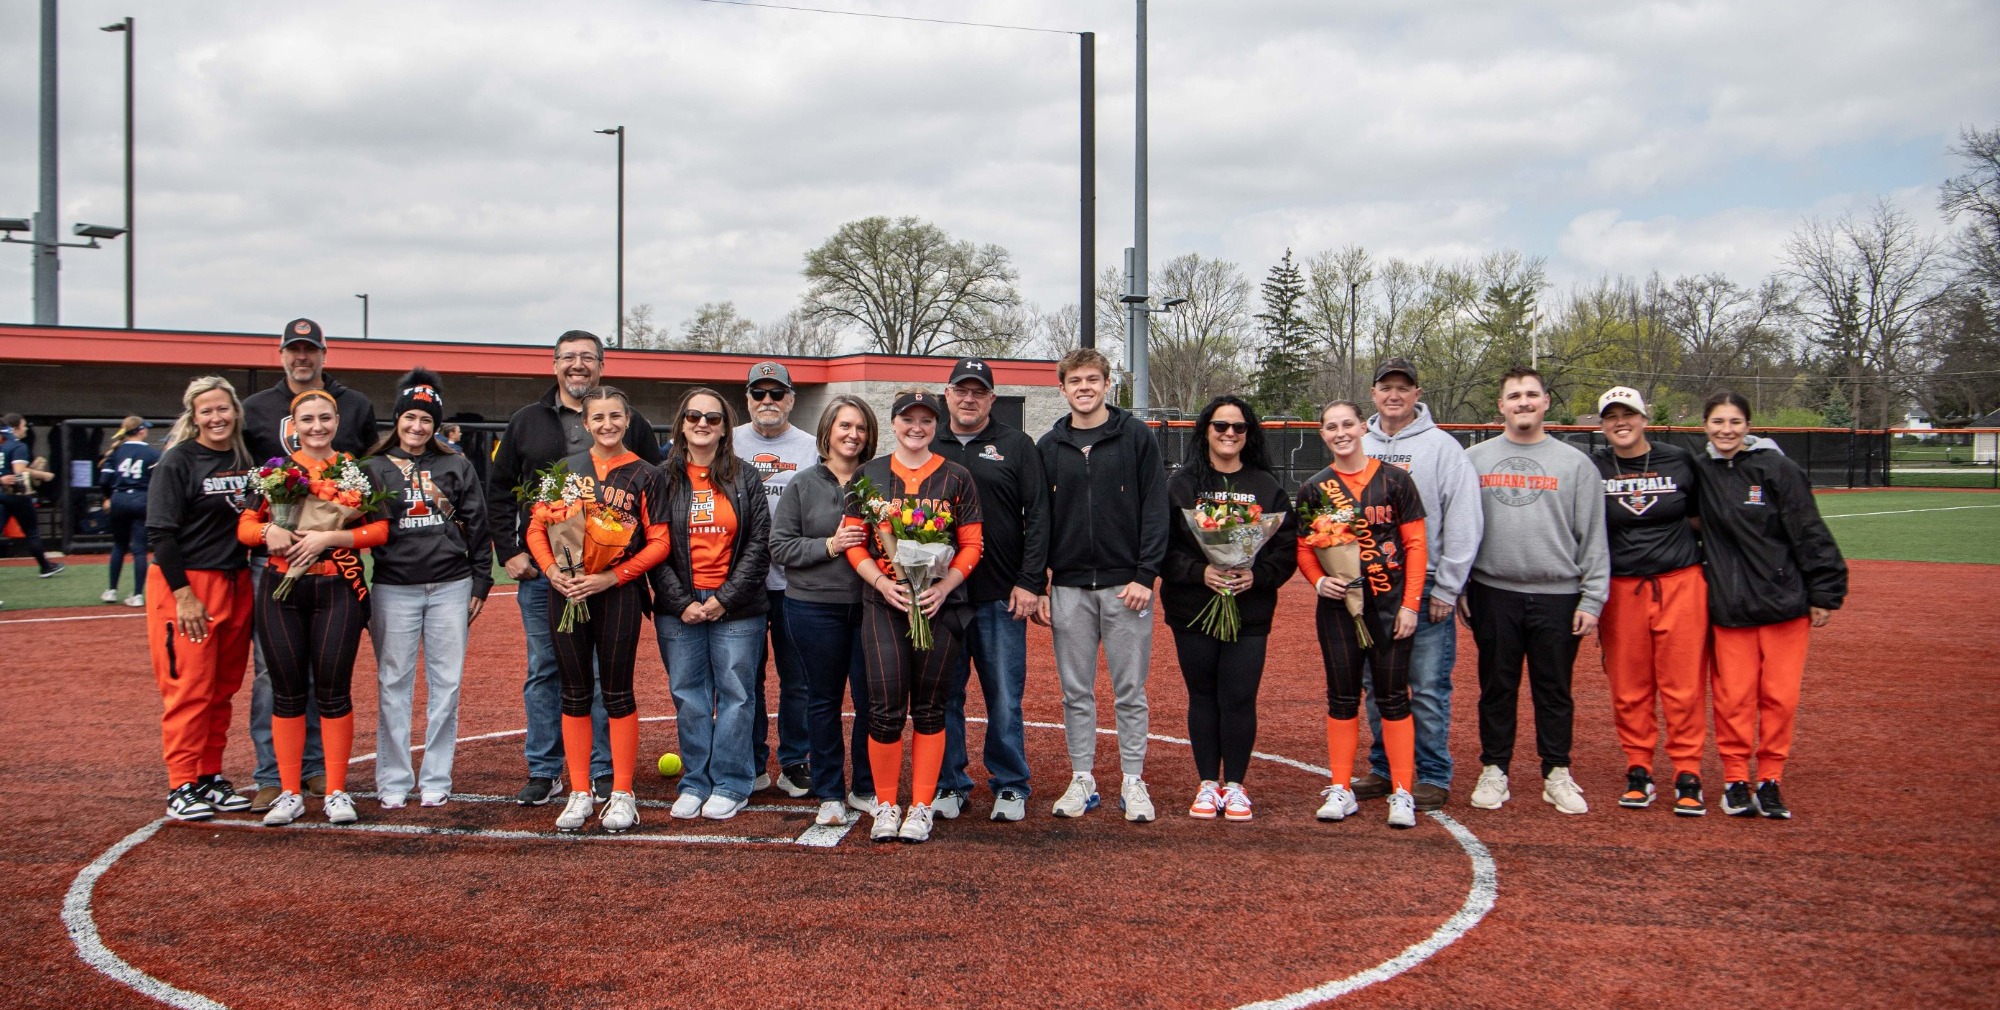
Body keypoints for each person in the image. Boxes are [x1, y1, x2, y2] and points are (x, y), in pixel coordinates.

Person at [488, 330, 664, 807]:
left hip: (614, 581)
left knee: (610, 678)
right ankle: (548, 772)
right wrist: (525, 558)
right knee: (549, 671)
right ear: (555, 365)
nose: (577, 364)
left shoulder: (638, 435)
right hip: (555, 580)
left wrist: (615, 570)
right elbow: (504, 493)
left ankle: (606, 773)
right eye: (569, 357)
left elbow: (652, 497)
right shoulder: (529, 422)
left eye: (587, 357)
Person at [239, 319, 378, 812]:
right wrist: (268, 532)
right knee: (278, 680)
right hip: (277, 575)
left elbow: (377, 523)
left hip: (336, 575)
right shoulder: (257, 414)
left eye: (310, 350)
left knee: (331, 680)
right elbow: (247, 521)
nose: (302, 357)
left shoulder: (355, 420)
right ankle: (278, 780)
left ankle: (327, 778)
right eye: (293, 350)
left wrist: (331, 536)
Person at [1462, 366, 1609, 816]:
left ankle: (1556, 772)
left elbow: (1594, 536)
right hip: (1494, 590)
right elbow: (1461, 529)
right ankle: (1494, 769)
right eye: (1514, 396)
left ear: (1546, 402)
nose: (1523, 402)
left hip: (1558, 594)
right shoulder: (1475, 460)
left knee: (1554, 689)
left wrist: (1593, 596)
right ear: (1500, 406)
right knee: (1497, 687)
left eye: (1531, 394)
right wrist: (1461, 583)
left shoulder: (1576, 464)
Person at [840, 390, 983, 844]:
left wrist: (943, 587)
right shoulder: (869, 475)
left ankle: (920, 806)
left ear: (936, 424)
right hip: (885, 604)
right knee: (883, 709)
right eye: (908, 418)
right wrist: (881, 583)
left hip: (937, 608)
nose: (916, 426)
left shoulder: (957, 477)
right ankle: (886, 804)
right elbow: (854, 541)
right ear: (895, 422)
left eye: (925, 419)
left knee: (929, 708)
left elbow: (972, 545)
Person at [1696, 391, 1847, 820]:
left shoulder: (1778, 469)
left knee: (1779, 698)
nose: (1726, 430)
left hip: (1784, 605)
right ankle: (1736, 780)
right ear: (1705, 426)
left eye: (1735, 422)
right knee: (1734, 699)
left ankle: (1771, 779)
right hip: (1730, 608)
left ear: (1748, 425)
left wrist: (1824, 591)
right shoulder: (1701, 471)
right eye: (1718, 422)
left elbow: (1809, 530)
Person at [530, 386, 673, 833]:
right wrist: (554, 572)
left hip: (617, 594)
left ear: (627, 421)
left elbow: (660, 542)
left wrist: (613, 576)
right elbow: (538, 528)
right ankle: (578, 791)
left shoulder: (648, 474)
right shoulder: (564, 470)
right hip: (568, 592)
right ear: (584, 423)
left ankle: (623, 793)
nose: (607, 424)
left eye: (615, 416)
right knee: (573, 692)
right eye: (598, 417)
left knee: (617, 692)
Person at [1035, 348, 1169, 822]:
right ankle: (1082, 779)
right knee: (1076, 692)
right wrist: (1040, 583)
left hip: (1125, 586)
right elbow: (1040, 521)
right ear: (1063, 388)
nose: (1085, 387)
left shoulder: (1134, 436)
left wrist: (1145, 575)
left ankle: (1133, 780)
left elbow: (1156, 507)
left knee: (1130, 690)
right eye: (1075, 381)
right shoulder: (1049, 447)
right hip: (1069, 587)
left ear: (1108, 384)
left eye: (1093, 379)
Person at [1354, 358, 1482, 811]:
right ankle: (1386, 765)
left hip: (1423, 585)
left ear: (1416, 393)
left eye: (1402, 388)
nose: (1394, 395)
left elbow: (1464, 519)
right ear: (1373, 393)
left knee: (1426, 684)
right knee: (1377, 682)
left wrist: (1448, 586)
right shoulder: (1358, 441)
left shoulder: (1443, 448)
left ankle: (1431, 772)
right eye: (1385, 387)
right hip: (1367, 585)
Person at [1161, 395, 1296, 822]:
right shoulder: (1182, 485)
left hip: (1249, 609)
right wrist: (1199, 571)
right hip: (1194, 608)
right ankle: (1206, 783)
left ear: (1249, 434)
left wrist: (1260, 575)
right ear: (1205, 431)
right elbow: (1159, 547)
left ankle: (1235, 785)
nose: (1230, 434)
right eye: (1221, 426)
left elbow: (1286, 547)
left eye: (1239, 428)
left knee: (1239, 697)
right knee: (1202, 695)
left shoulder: (1266, 486)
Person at [364, 370, 492, 811]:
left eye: (426, 420)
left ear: (435, 426)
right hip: (394, 588)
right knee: (392, 683)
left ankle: (437, 776)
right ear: (397, 419)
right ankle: (394, 778)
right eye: (410, 418)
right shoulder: (373, 468)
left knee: (447, 684)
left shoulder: (456, 465)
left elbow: (477, 524)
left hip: (450, 587)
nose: (417, 427)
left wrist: (481, 578)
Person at [930, 356, 1048, 823]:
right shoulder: (927, 442)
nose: (969, 398)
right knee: (945, 694)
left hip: (1000, 594)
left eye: (978, 391)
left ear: (992, 399)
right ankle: (950, 783)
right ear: (948, 395)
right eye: (961, 389)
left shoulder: (1017, 445)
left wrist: (1030, 581)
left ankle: (1011, 784)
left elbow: (1039, 516)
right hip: (940, 597)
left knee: (1003, 695)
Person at [650, 388, 771, 822]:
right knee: (689, 695)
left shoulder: (746, 476)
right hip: (678, 607)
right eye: (694, 416)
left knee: (738, 695)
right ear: (681, 423)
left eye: (714, 418)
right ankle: (695, 782)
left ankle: (732, 782)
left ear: (725, 428)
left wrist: (723, 599)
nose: (703, 424)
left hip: (736, 607)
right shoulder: (662, 477)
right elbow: (653, 545)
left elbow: (759, 544)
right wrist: (680, 601)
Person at [1591, 386, 1710, 816]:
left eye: (1628, 414)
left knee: (1682, 686)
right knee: (1629, 687)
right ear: (1603, 425)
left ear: (1645, 417)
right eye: (1611, 417)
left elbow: (1701, 517)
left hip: (1679, 582)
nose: (1620, 423)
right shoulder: (1594, 466)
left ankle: (1687, 772)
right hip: (1623, 589)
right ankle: (1638, 768)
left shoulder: (1678, 460)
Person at [145, 377, 256, 820]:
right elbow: (161, 534)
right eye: (206, 411)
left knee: (222, 689)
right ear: (193, 416)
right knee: (189, 689)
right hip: (188, 585)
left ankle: (209, 776)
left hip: (235, 579)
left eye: (223, 409)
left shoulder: (244, 458)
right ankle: (181, 784)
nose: (216, 418)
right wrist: (183, 595)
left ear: (235, 412)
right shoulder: (178, 461)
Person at [770, 396, 880, 825]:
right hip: (813, 608)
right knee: (823, 700)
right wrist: (829, 546)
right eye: (844, 426)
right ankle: (830, 791)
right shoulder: (802, 484)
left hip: (871, 608)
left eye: (861, 428)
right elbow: (780, 547)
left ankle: (866, 787)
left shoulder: (879, 481)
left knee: (872, 702)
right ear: (828, 432)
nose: (852, 435)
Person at [735, 361, 819, 797]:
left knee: (798, 678)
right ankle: (748, 761)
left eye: (776, 393)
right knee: (744, 678)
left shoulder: (811, 447)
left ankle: (795, 761)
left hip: (796, 582)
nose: (767, 401)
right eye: (758, 393)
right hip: (741, 583)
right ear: (747, 398)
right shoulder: (726, 442)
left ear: (791, 398)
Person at [99, 418, 159, 606]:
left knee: (118, 545)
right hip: (142, 499)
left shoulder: (116, 452)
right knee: (139, 550)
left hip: (119, 499)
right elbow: (159, 481)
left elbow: (103, 480)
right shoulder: (153, 453)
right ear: (141, 431)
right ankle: (137, 594)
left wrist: (108, 497)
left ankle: (111, 591)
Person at [0, 413, 63, 578]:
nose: (26, 428)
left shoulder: (2, 444)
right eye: (24, 425)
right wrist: (43, 475)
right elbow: (19, 472)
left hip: (2, 493)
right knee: (32, 531)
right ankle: (46, 567)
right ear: (15, 428)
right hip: (17, 495)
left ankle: (47, 566)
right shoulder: (17, 446)